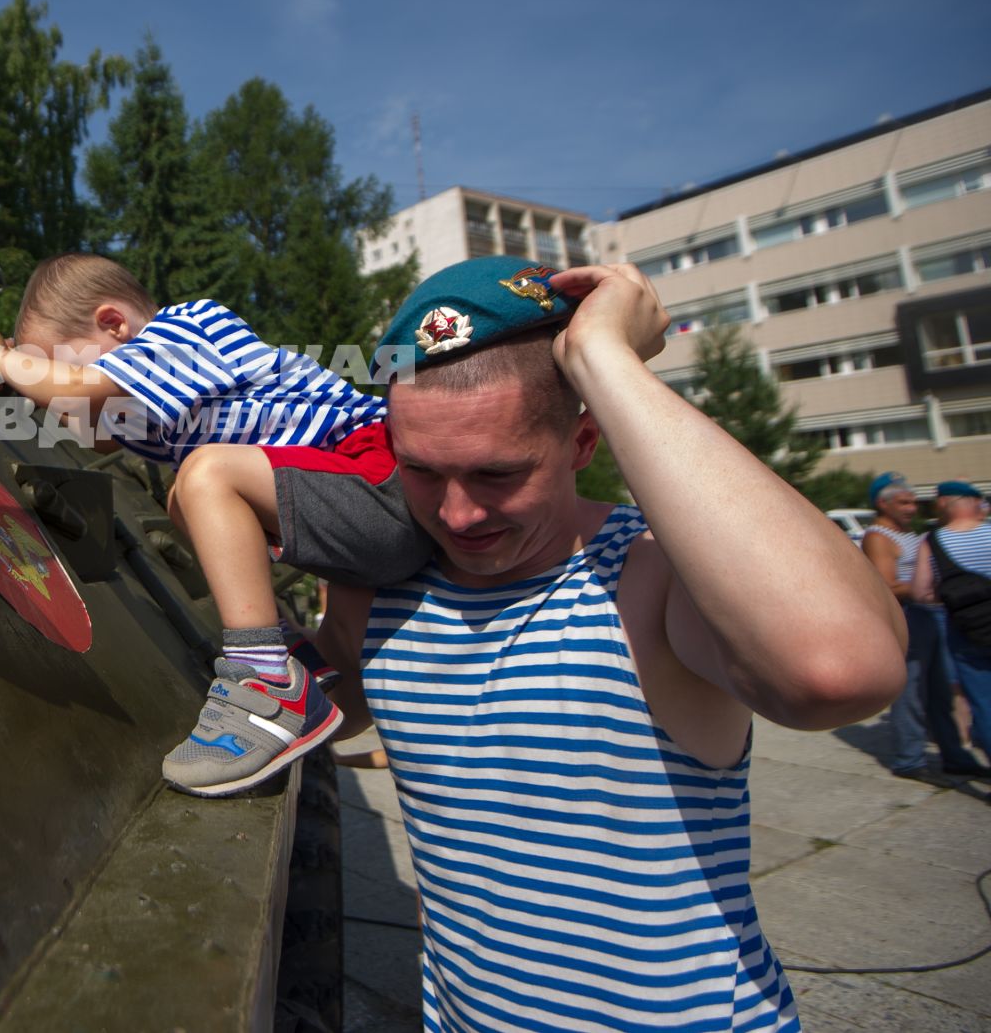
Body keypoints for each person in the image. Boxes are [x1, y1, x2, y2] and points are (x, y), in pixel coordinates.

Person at [311, 257, 904, 1031]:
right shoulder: (385, 582)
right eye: (422, 471)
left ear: (585, 439)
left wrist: (604, 357)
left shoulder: (647, 576)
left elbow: (839, 669)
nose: (457, 516)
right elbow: (331, 702)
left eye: (497, 473)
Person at [0, 253, 435, 796]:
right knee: (187, 501)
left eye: (61, 364)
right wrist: (29, 387)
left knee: (204, 475)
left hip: (375, 476)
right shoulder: (152, 402)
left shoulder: (185, 331)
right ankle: (293, 670)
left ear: (114, 324)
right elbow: (95, 429)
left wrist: (2, 357)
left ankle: (267, 680)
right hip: (346, 502)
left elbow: (81, 388)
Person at [862, 473, 984, 780]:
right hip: (909, 618)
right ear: (882, 503)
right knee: (911, 692)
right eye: (904, 502)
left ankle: (953, 755)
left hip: (930, 616)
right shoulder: (879, 537)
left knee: (941, 691)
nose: (912, 508)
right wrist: (940, 584)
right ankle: (909, 759)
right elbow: (887, 586)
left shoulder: (909, 534)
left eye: (914, 502)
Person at [910, 481, 991, 763]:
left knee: (982, 702)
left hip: (965, 629)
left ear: (945, 504)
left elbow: (921, 592)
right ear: (976, 504)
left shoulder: (933, 541)